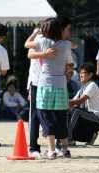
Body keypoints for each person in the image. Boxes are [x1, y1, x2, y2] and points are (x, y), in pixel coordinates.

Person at [26, 17, 72, 159]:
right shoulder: (66, 45)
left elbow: (27, 45)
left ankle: (51, 150)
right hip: (61, 84)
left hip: (45, 84)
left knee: (46, 115)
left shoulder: (43, 42)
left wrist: (36, 33)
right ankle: (65, 149)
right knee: (60, 116)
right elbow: (69, 64)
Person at [24, 17, 56, 158]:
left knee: (50, 113)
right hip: (36, 81)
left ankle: (53, 146)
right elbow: (28, 50)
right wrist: (34, 33)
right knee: (35, 115)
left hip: (50, 81)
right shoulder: (38, 38)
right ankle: (33, 147)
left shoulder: (55, 40)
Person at [69, 63, 99, 145]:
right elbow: (73, 102)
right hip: (87, 117)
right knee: (68, 112)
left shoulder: (92, 85)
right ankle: (91, 135)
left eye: (83, 73)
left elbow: (79, 101)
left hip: (97, 119)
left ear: (90, 75)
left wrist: (63, 102)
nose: (80, 75)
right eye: (80, 73)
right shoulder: (82, 88)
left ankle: (69, 138)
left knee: (76, 111)